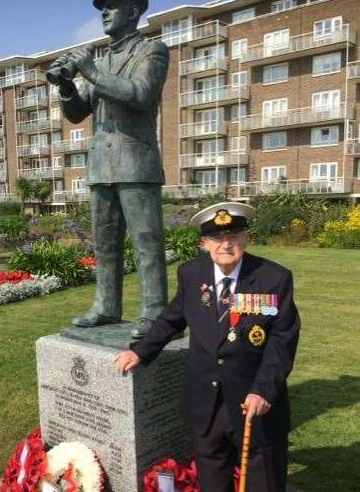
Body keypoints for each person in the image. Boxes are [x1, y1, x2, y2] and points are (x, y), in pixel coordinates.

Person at [114, 202, 300, 492]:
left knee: (263, 477)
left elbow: (282, 341)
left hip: (253, 401)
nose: (226, 244)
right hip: (205, 401)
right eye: (217, 238)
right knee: (212, 477)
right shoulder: (191, 274)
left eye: (234, 236)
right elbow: (171, 319)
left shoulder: (273, 278)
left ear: (246, 237)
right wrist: (140, 350)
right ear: (204, 243)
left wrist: (264, 389)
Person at [46, 0, 170, 339]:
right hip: (101, 165)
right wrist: (68, 86)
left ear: (133, 11)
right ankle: (106, 306)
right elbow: (76, 113)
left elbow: (142, 93)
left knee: (147, 241)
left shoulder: (152, 50)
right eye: (101, 8)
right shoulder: (102, 61)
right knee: (105, 243)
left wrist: (92, 73)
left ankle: (155, 313)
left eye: (111, 6)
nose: (104, 13)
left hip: (136, 163)